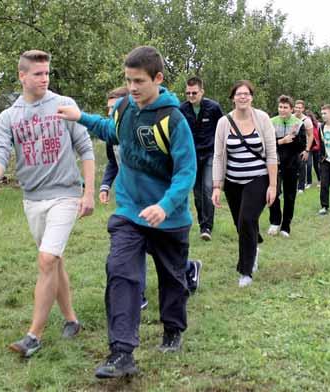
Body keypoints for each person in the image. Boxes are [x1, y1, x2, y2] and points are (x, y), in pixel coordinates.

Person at [58, 46, 197, 378]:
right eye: (128, 81)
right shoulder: (124, 108)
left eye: (138, 81)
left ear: (158, 79)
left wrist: (164, 206)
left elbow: (186, 172)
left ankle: (173, 331)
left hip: (169, 217)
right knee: (121, 272)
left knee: (172, 279)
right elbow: (112, 130)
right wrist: (82, 119)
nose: (132, 88)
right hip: (130, 211)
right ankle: (121, 353)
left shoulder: (173, 120)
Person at [0, 50, 95, 357]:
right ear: (22, 76)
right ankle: (71, 320)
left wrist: (88, 193)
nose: (44, 78)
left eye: (47, 73)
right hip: (32, 199)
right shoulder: (9, 117)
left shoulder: (64, 105)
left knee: (46, 260)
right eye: (37, 74)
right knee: (54, 260)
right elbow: (0, 153)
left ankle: (33, 336)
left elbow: (85, 149)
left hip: (65, 194)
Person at [102, 87, 202, 298]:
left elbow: (185, 169)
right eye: (108, 109)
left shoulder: (160, 122)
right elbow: (113, 164)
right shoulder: (115, 131)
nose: (110, 114)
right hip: (131, 201)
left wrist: (165, 205)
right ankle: (138, 296)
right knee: (130, 248)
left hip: (162, 201)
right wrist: (104, 186)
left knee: (164, 256)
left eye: (114, 108)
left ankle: (188, 268)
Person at [211, 80, 277, 287]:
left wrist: (273, 185)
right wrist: (216, 186)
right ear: (232, 98)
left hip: (258, 178)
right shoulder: (224, 122)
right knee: (241, 224)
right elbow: (219, 155)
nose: (243, 97)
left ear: (251, 97)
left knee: (247, 220)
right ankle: (254, 247)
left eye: (246, 94)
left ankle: (245, 271)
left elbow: (272, 154)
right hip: (233, 181)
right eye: (239, 94)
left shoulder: (262, 118)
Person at [179, 76, 223, 241]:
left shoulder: (213, 108)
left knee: (207, 188)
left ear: (202, 92)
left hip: (210, 154)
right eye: (188, 93)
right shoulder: (181, 109)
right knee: (197, 193)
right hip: (192, 156)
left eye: (194, 93)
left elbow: (222, 129)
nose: (191, 96)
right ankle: (201, 223)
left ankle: (207, 227)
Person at [268, 95, 307, 237]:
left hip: (292, 165)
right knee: (274, 193)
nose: (282, 110)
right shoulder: (271, 122)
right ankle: (274, 222)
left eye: (285, 107)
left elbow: (302, 145)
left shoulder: (298, 123)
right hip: (275, 164)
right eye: (280, 107)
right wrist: (282, 141)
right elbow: (268, 144)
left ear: (291, 109)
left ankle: (286, 226)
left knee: (290, 196)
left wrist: (294, 137)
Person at [293, 99, 314, 192]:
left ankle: (301, 187)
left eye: (300, 108)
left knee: (302, 166)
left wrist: (307, 150)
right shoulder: (290, 117)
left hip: (303, 147)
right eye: (296, 107)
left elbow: (311, 135)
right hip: (291, 147)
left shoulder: (307, 120)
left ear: (303, 109)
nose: (298, 109)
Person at [305, 110, 321, 187]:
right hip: (308, 148)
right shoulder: (304, 126)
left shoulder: (317, 126)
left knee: (316, 165)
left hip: (317, 148)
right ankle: (309, 182)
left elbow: (320, 137)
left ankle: (320, 180)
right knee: (308, 165)